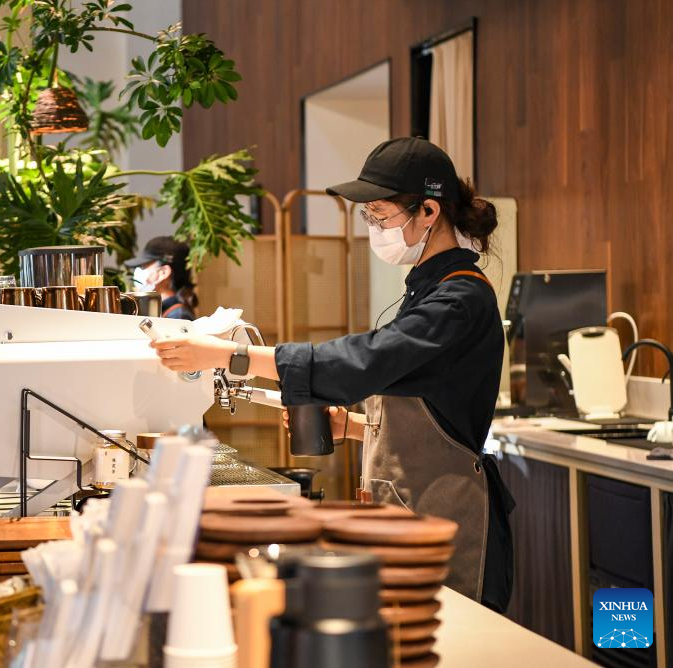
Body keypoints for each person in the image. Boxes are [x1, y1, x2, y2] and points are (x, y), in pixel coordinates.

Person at [149, 137, 515, 612]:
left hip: (448, 516)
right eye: (368, 217)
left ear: (428, 211)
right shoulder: (427, 291)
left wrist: (230, 356)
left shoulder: (459, 300)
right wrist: (355, 427)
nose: (373, 228)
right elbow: (429, 414)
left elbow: (362, 361)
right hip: (408, 509)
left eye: (379, 215)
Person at [125, 236, 198, 320]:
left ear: (163, 273)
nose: (137, 272)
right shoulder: (163, 312)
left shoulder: (178, 316)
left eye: (143, 267)